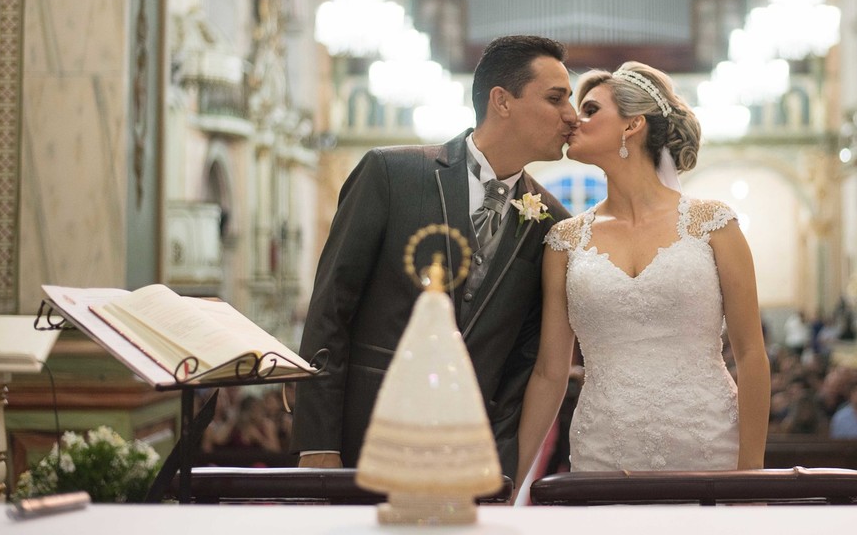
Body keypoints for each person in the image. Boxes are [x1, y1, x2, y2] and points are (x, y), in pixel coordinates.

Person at [291, 35, 576, 481]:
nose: (571, 116)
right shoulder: (391, 175)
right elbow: (331, 309)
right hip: (366, 438)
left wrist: (502, 465)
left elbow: (524, 360)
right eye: (556, 98)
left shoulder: (552, 222)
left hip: (469, 456)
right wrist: (318, 442)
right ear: (502, 101)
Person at [514, 61, 770, 489]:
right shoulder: (564, 241)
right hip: (603, 448)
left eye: (591, 110)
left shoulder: (713, 225)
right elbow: (549, 373)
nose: (574, 119)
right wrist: (514, 482)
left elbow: (751, 355)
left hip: (708, 444)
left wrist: (751, 474)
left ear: (633, 125)